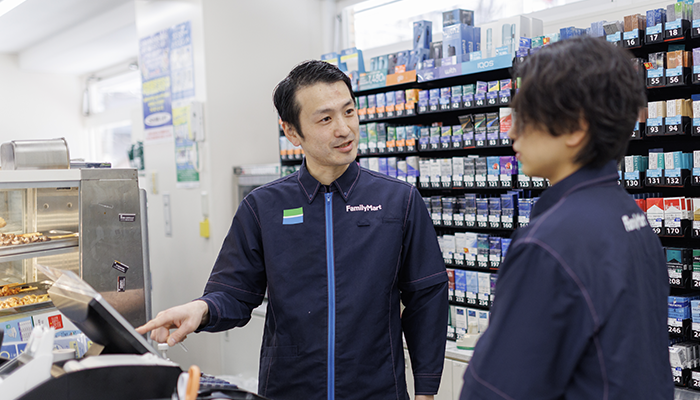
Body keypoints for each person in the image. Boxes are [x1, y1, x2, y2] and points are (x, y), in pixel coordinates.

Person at [137, 60, 449, 400]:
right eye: (325, 119)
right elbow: (235, 293)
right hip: (290, 388)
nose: (344, 129)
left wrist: (426, 390)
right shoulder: (263, 207)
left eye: (349, 112)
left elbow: (426, 298)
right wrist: (201, 309)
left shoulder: (398, 201)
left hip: (376, 389)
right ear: (292, 132)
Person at [459, 36, 673, 399]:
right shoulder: (631, 216)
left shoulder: (548, 244)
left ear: (575, 127)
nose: (511, 131)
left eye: (524, 117)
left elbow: (495, 391)